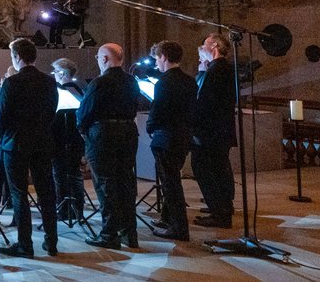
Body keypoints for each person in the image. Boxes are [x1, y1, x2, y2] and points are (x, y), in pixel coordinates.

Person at [0, 38, 59, 258]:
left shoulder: (11, 83)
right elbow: (52, 112)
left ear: (17, 57)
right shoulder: (49, 82)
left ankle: (25, 244)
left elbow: (2, 118)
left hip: (16, 144)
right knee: (47, 192)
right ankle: (51, 242)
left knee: (19, 194)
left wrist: (3, 139)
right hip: (42, 142)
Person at [77, 43, 143, 249]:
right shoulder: (131, 81)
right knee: (126, 182)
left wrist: (83, 130)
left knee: (105, 184)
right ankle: (129, 233)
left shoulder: (100, 82)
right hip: (128, 133)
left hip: (103, 135)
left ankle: (109, 234)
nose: (98, 61)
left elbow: (85, 112)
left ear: (105, 59)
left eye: (98, 57)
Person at [147, 40, 197, 241]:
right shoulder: (189, 81)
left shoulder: (164, 82)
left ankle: (178, 228)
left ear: (164, 57)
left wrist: (150, 127)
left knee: (170, 184)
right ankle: (167, 219)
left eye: (157, 58)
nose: (156, 63)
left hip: (166, 137)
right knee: (172, 179)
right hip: (183, 136)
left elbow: (158, 110)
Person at [191, 32, 237, 229]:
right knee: (219, 170)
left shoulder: (217, 70)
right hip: (220, 131)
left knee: (205, 170)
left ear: (215, 47)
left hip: (211, 132)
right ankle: (223, 207)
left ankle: (219, 213)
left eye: (204, 45)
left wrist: (192, 122)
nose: (201, 49)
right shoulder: (222, 68)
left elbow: (204, 101)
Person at [51, 57, 86, 221]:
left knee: (61, 174)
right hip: (75, 139)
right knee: (74, 173)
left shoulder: (63, 91)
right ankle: (77, 209)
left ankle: (65, 210)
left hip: (62, 138)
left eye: (55, 71)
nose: (54, 75)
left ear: (62, 73)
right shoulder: (79, 89)